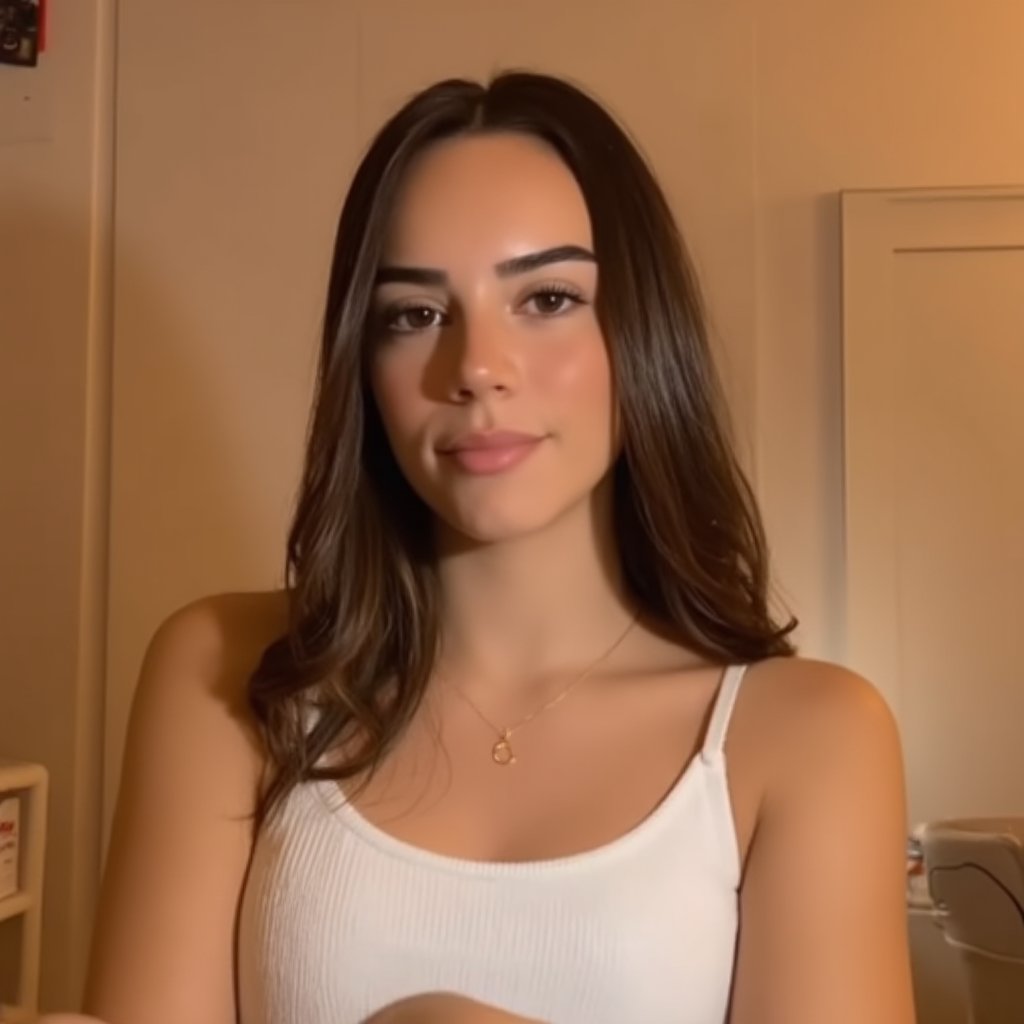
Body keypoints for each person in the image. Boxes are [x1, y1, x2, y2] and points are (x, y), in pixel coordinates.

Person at [78, 72, 914, 1024]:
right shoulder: (224, 675)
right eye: (415, 315)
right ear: (365, 367)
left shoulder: (808, 737)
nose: (475, 366)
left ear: (641, 334)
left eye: (548, 298)